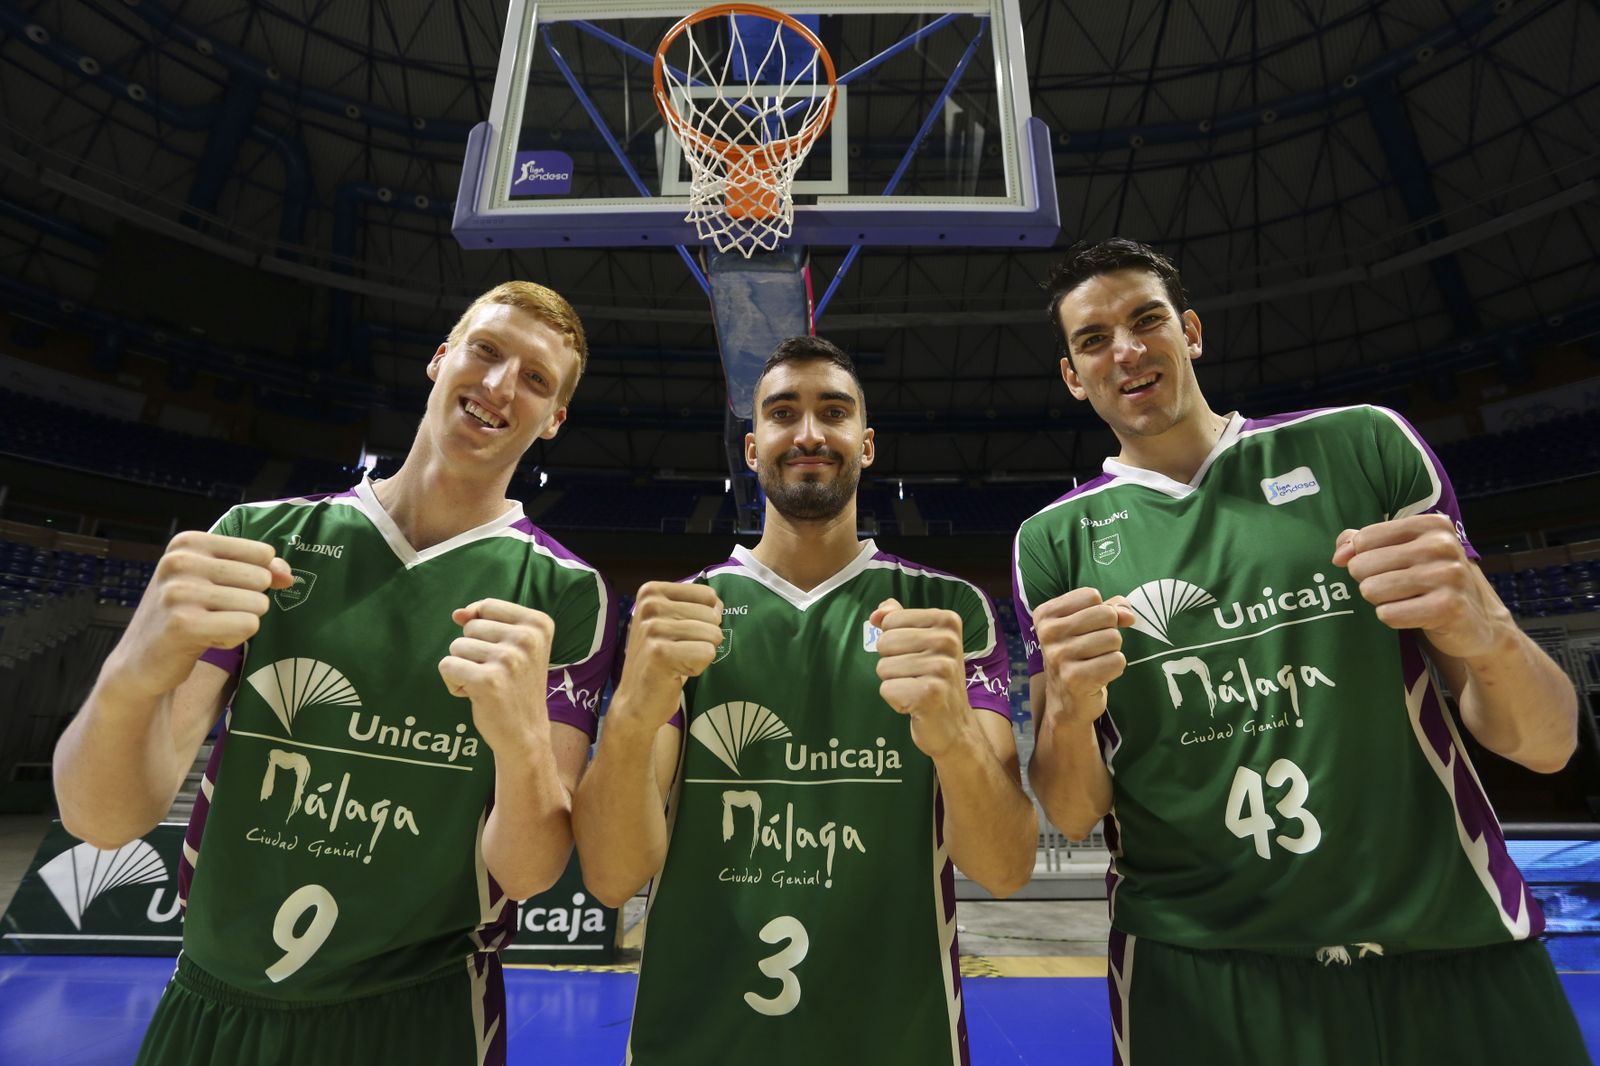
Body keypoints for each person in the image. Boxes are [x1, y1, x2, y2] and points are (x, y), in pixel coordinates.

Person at [1013, 237, 1591, 1065]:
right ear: (1074, 376)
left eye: (1147, 322)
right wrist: (1067, 709)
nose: (1127, 351)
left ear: (1192, 333)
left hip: (1453, 938)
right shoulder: (1053, 541)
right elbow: (1070, 813)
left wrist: (1487, 633)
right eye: (1093, 339)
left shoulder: (1363, 446)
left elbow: (1549, 743)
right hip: (1204, 969)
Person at [52, 281, 618, 1066]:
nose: (497, 386)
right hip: (213, 993)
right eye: (486, 351)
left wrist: (521, 742)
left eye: (534, 378)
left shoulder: (565, 592)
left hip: (420, 1014)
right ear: (441, 357)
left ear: (554, 419)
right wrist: (128, 673)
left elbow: (527, 874)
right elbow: (101, 821)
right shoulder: (262, 537)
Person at [574, 336, 1037, 1065]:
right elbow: (609, 878)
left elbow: (1005, 869)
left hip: (899, 1044)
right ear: (754, 448)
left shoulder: (946, 613)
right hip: (693, 1042)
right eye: (784, 414)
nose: (811, 433)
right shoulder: (686, 618)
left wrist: (950, 734)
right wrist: (630, 714)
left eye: (834, 411)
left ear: (868, 443)